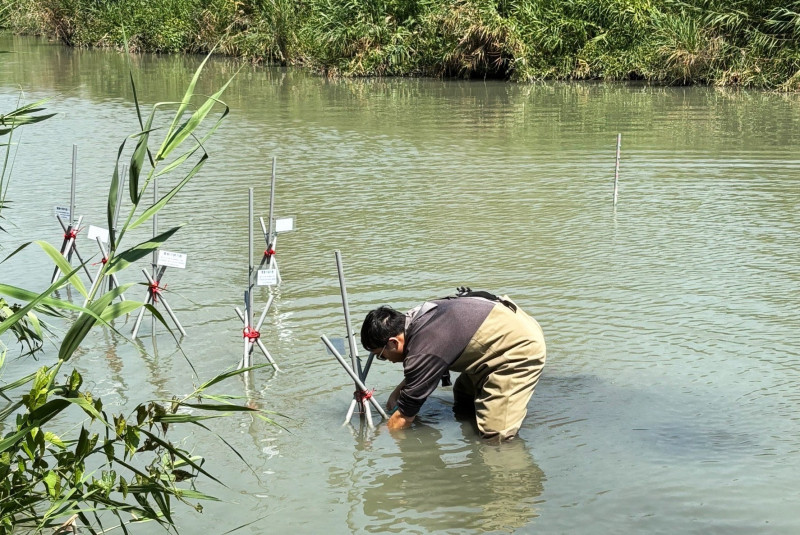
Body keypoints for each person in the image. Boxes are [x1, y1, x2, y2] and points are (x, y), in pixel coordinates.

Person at [360, 288, 546, 441]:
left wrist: (380, 436)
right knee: (464, 396)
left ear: (393, 342)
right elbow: (424, 369)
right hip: (504, 327)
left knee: (496, 434)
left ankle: (509, 476)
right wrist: (398, 392)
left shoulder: (424, 347)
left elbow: (404, 417)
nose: (388, 361)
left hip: (518, 348)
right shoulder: (414, 320)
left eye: (382, 356)